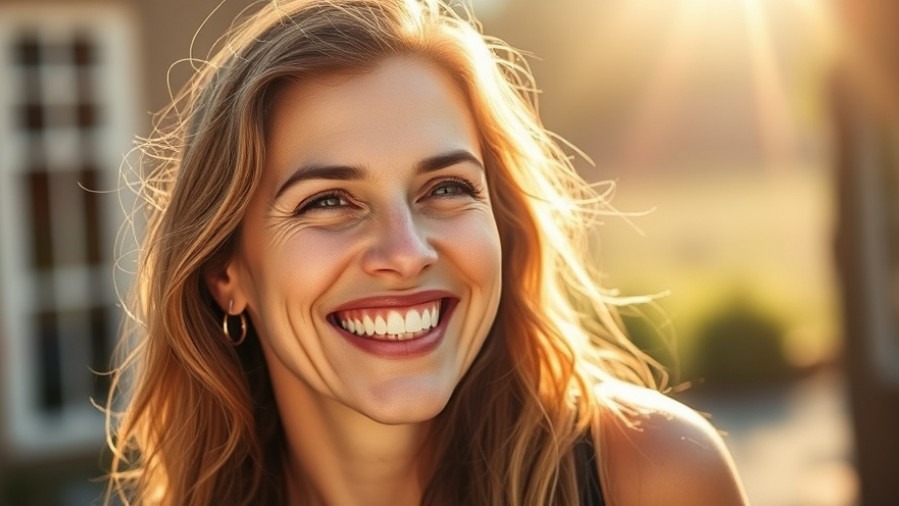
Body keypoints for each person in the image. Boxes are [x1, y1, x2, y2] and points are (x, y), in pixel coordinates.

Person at [105, 0, 748, 504]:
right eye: (328, 201)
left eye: (446, 188)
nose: (407, 252)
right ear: (225, 273)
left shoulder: (651, 474)